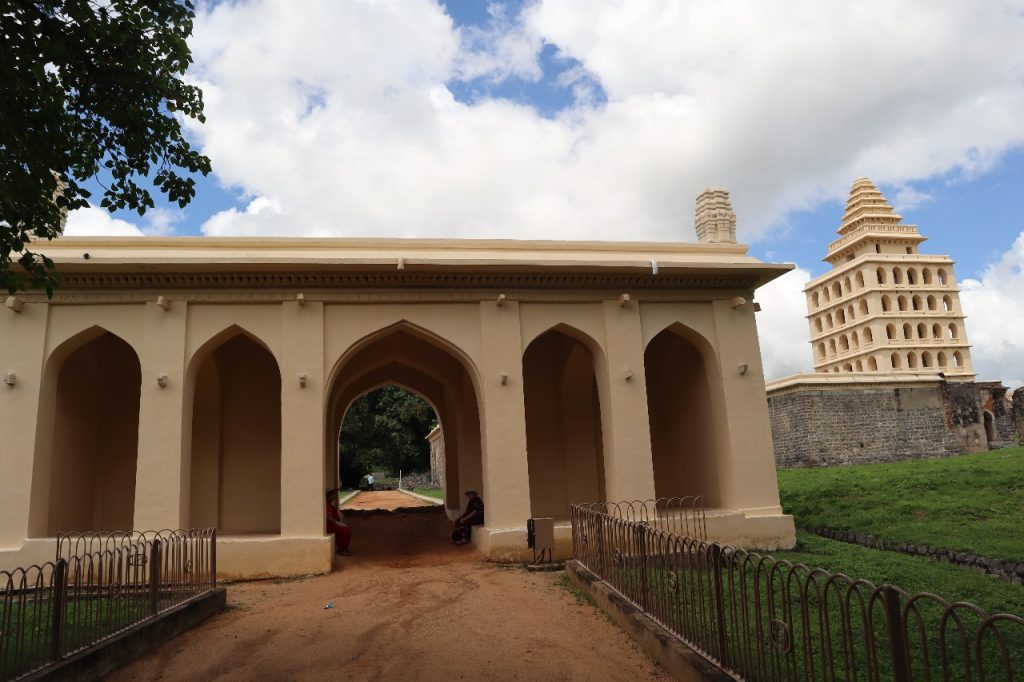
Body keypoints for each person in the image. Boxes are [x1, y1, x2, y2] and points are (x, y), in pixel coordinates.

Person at [325, 489, 352, 555]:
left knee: (347, 529)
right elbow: (328, 517)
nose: (333, 497)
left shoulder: (329, 504)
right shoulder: (326, 505)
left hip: (332, 524)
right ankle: (341, 550)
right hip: (329, 526)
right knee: (345, 531)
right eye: (332, 495)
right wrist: (337, 523)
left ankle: (344, 548)